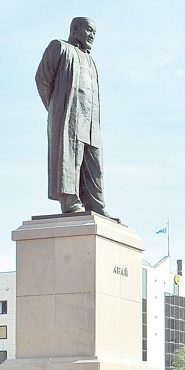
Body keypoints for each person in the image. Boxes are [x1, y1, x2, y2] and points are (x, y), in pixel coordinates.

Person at [35, 17, 115, 219]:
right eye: (88, 30)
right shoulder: (59, 47)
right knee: (69, 159)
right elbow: (42, 79)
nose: (92, 35)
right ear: (75, 29)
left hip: (91, 121)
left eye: (94, 32)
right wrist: (56, 109)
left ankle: (96, 204)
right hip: (69, 116)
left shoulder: (90, 60)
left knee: (94, 163)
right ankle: (71, 202)